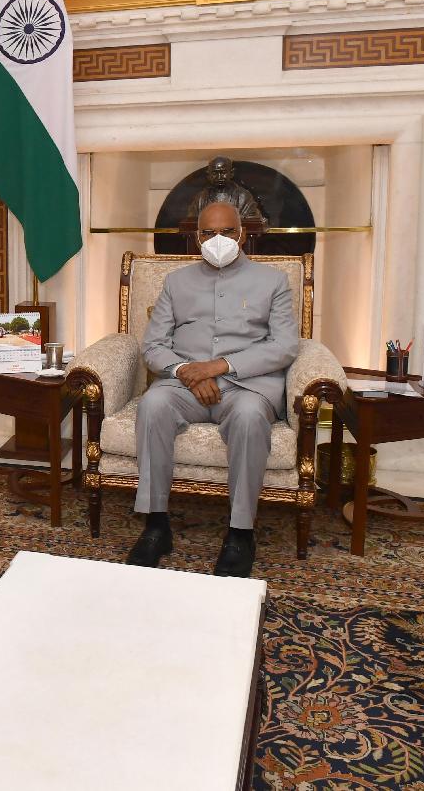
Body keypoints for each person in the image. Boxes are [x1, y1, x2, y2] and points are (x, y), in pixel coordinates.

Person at [127, 202, 298, 577]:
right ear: (196, 236)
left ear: (243, 234)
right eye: (208, 232)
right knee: (153, 404)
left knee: (250, 417)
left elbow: (285, 346)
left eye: (227, 231)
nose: (218, 239)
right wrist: (188, 371)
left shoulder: (273, 281)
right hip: (185, 384)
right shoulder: (176, 282)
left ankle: (240, 533)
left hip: (246, 386)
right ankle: (156, 525)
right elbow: (153, 346)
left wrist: (218, 367)